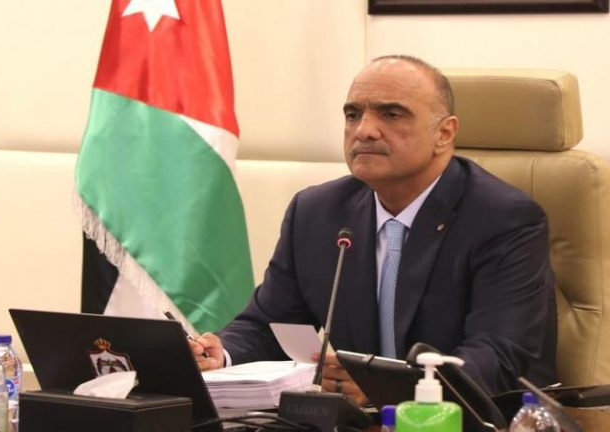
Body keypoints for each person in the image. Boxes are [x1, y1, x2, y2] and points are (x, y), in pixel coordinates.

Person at [189, 55, 557, 401]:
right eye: (353, 115)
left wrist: (389, 389)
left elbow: (497, 356)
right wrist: (221, 354)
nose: (364, 130)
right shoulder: (316, 213)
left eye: (391, 114)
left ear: (444, 133)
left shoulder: (503, 219)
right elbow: (268, 325)